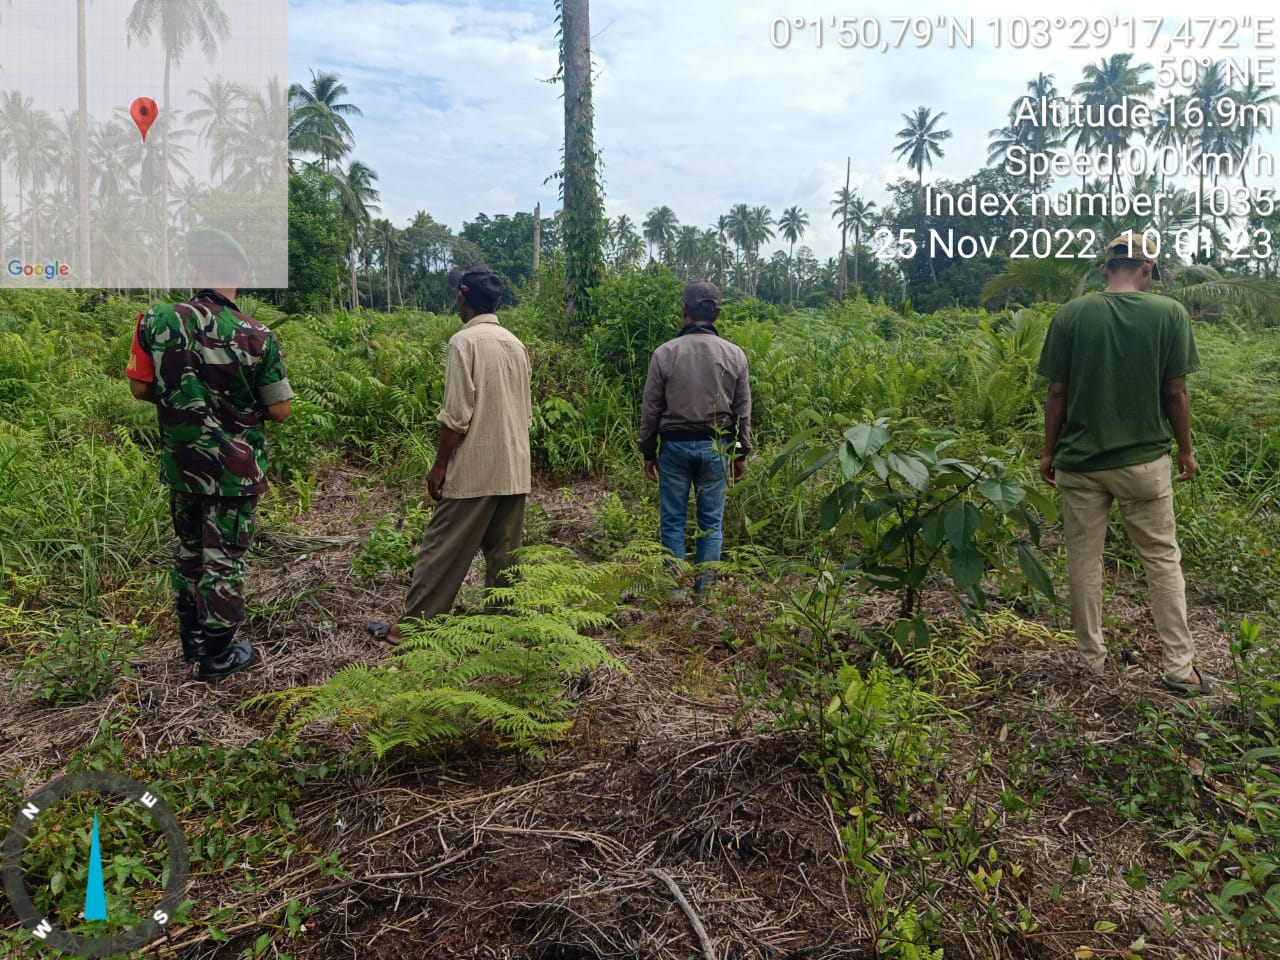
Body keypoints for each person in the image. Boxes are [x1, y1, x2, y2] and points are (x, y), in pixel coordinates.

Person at [1037, 230, 1206, 694]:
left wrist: (1049, 451)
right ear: (1149, 269)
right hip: (1144, 465)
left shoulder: (1072, 314)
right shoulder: (1169, 314)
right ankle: (1179, 667)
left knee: (1084, 562)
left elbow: (1057, 393)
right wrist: (1185, 450)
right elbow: (1175, 392)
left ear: (1105, 269)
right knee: (1161, 560)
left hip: (1081, 464)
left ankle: (1091, 661)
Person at [126, 227, 293, 683]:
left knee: (188, 551)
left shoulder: (154, 320)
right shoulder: (257, 334)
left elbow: (141, 386)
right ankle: (218, 657)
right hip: (235, 469)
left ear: (195, 269)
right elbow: (279, 410)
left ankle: (192, 641)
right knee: (225, 559)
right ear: (240, 273)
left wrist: (185, 406)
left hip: (182, 464)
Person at [366, 267, 532, 645]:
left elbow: (457, 415)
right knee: (505, 557)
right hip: (515, 467)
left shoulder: (464, 342)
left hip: (475, 469)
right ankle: (501, 632)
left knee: (440, 551)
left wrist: (439, 465)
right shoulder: (515, 344)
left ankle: (410, 631)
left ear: (462, 295)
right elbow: (524, 412)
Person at [638, 280, 752, 599]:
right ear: (717, 314)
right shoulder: (735, 355)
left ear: (684, 311)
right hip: (716, 449)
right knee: (711, 524)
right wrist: (740, 454)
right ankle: (707, 594)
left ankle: (675, 593)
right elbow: (743, 412)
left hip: (673, 448)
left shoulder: (665, 353)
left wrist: (648, 450)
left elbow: (651, 409)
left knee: (672, 521)